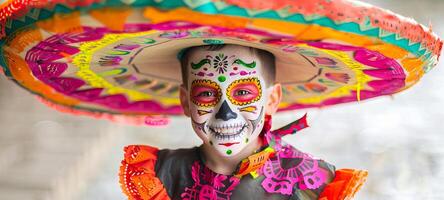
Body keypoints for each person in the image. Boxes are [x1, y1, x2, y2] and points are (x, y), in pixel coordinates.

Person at [119, 44, 367, 200]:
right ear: (185, 101)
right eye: (206, 94)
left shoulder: (313, 182)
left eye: (243, 93)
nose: (225, 112)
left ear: (272, 99)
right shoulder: (161, 174)